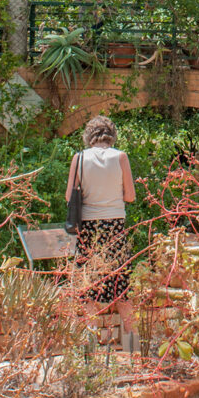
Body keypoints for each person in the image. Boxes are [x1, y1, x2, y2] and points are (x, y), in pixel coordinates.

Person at [68, 115, 137, 347]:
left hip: (89, 229)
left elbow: (70, 197)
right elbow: (130, 196)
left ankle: (92, 348)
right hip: (115, 227)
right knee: (122, 290)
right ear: (111, 135)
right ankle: (134, 351)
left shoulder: (79, 159)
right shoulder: (121, 157)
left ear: (89, 136)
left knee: (87, 289)